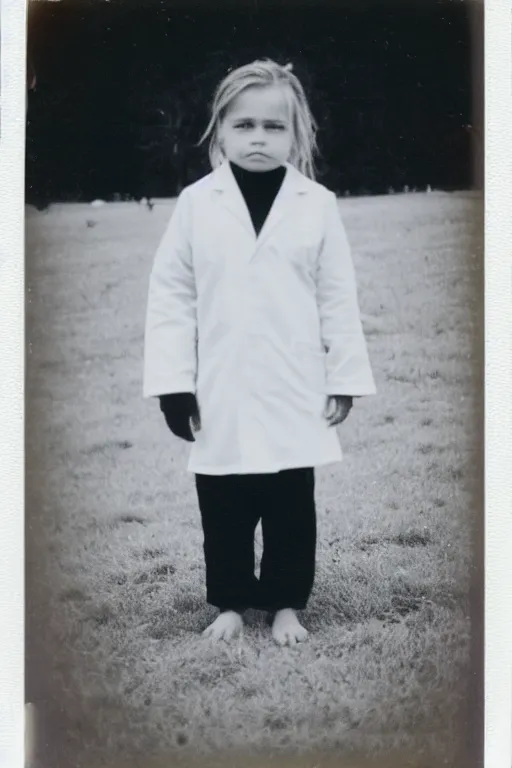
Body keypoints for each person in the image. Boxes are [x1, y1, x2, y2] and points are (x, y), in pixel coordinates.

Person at [143, 59, 376, 647]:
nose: (258, 138)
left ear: (296, 135)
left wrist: (343, 376)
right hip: (219, 386)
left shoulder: (315, 203)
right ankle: (229, 603)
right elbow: (170, 295)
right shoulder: (197, 204)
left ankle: (285, 606)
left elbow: (337, 296)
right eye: (244, 125)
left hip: (294, 385)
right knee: (223, 502)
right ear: (219, 130)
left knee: (290, 504)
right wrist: (174, 383)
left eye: (274, 127)